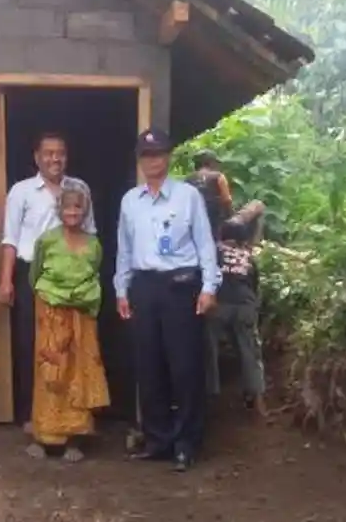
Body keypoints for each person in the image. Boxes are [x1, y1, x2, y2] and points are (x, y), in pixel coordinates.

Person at [115, 128, 221, 472]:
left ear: (168, 157)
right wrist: (121, 289)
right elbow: (125, 250)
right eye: (146, 155)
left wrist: (209, 287)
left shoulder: (187, 196)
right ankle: (158, 440)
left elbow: (205, 243)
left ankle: (186, 443)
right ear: (139, 160)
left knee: (185, 366)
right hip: (144, 288)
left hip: (180, 287)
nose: (152, 161)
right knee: (148, 366)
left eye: (158, 154)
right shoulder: (131, 201)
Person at [0, 132, 96, 434]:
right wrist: (6, 281)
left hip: (73, 279)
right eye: (49, 153)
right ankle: (33, 417)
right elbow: (10, 239)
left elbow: (91, 235)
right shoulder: (22, 191)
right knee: (35, 345)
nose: (55, 159)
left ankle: (70, 418)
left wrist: (88, 280)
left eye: (61, 153)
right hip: (34, 276)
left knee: (71, 346)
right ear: (37, 157)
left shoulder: (79, 189)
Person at [26, 185, 110, 462]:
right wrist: (50, 302)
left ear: (84, 211)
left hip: (81, 316)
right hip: (51, 314)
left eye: (77, 208)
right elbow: (34, 275)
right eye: (67, 207)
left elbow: (95, 272)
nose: (72, 213)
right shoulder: (47, 241)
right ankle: (43, 436)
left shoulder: (93, 244)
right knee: (50, 370)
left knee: (79, 371)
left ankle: (74, 438)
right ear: (59, 210)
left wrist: (80, 299)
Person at [206, 202, 267, 417]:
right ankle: (258, 401)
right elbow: (255, 285)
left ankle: (210, 397)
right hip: (245, 305)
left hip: (219, 306)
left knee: (208, 351)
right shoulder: (249, 256)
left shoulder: (214, 251)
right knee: (250, 351)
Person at [187, 149, 233, 238]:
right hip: (216, 225)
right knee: (257, 205)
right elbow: (227, 200)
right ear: (210, 162)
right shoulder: (218, 176)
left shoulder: (188, 180)